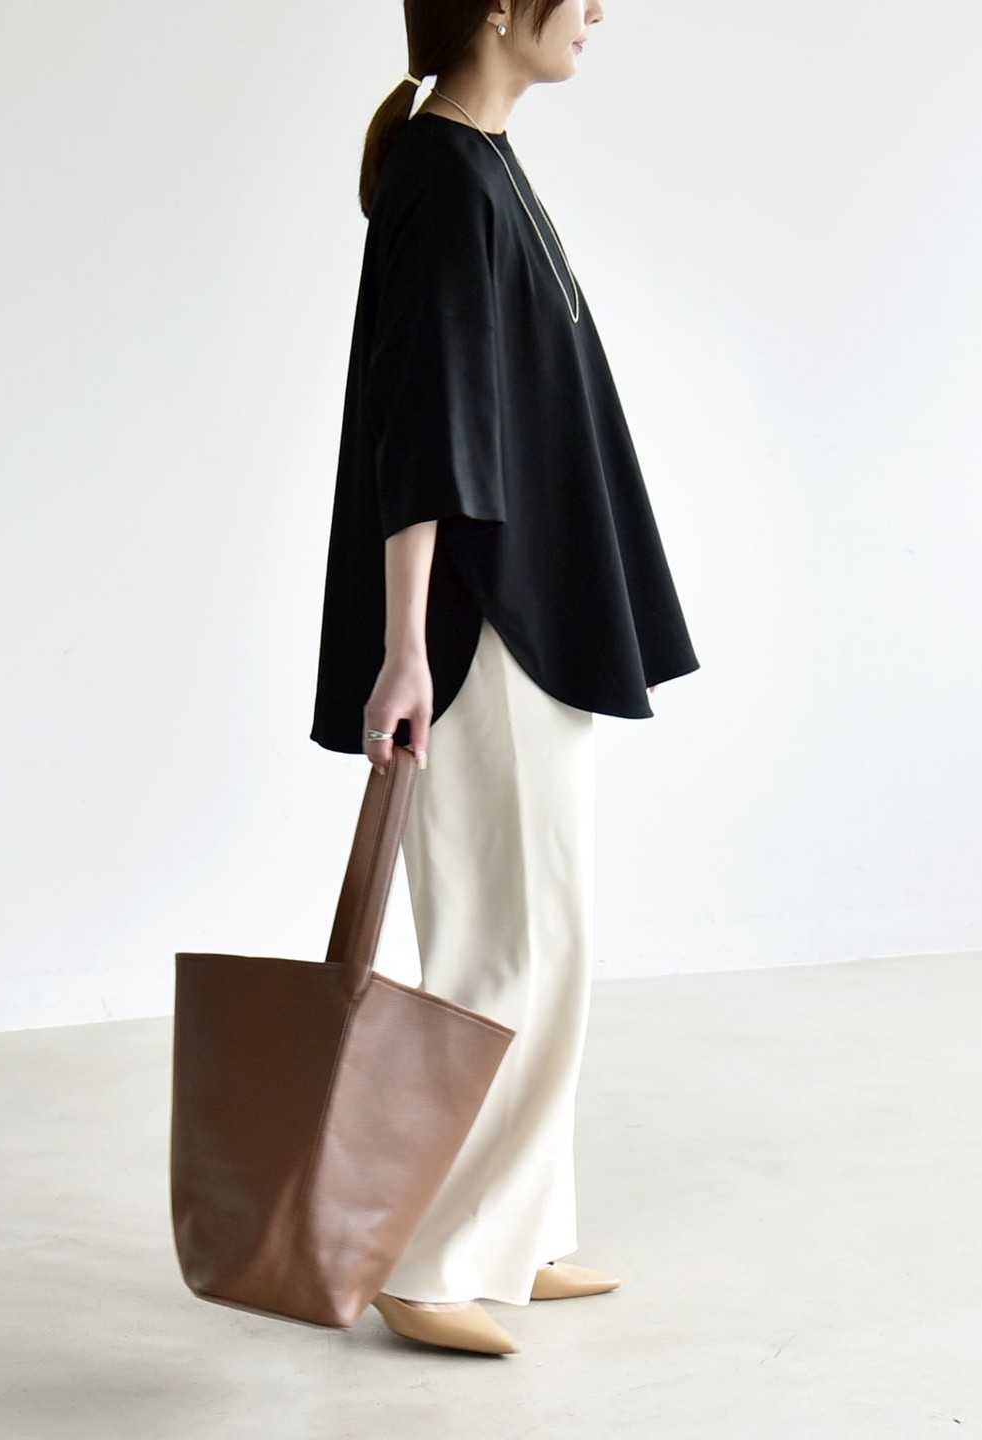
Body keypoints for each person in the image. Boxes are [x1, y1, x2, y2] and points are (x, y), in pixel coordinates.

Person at [309, 0, 700, 1356]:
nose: (597, 11)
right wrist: (405, 644)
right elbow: (421, 435)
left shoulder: (479, 162)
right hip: (482, 630)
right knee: (497, 946)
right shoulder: (442, 178)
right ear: (495, 4)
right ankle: (425, 1262)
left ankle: (512, 1234)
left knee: (548, 938)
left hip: (527, 619)